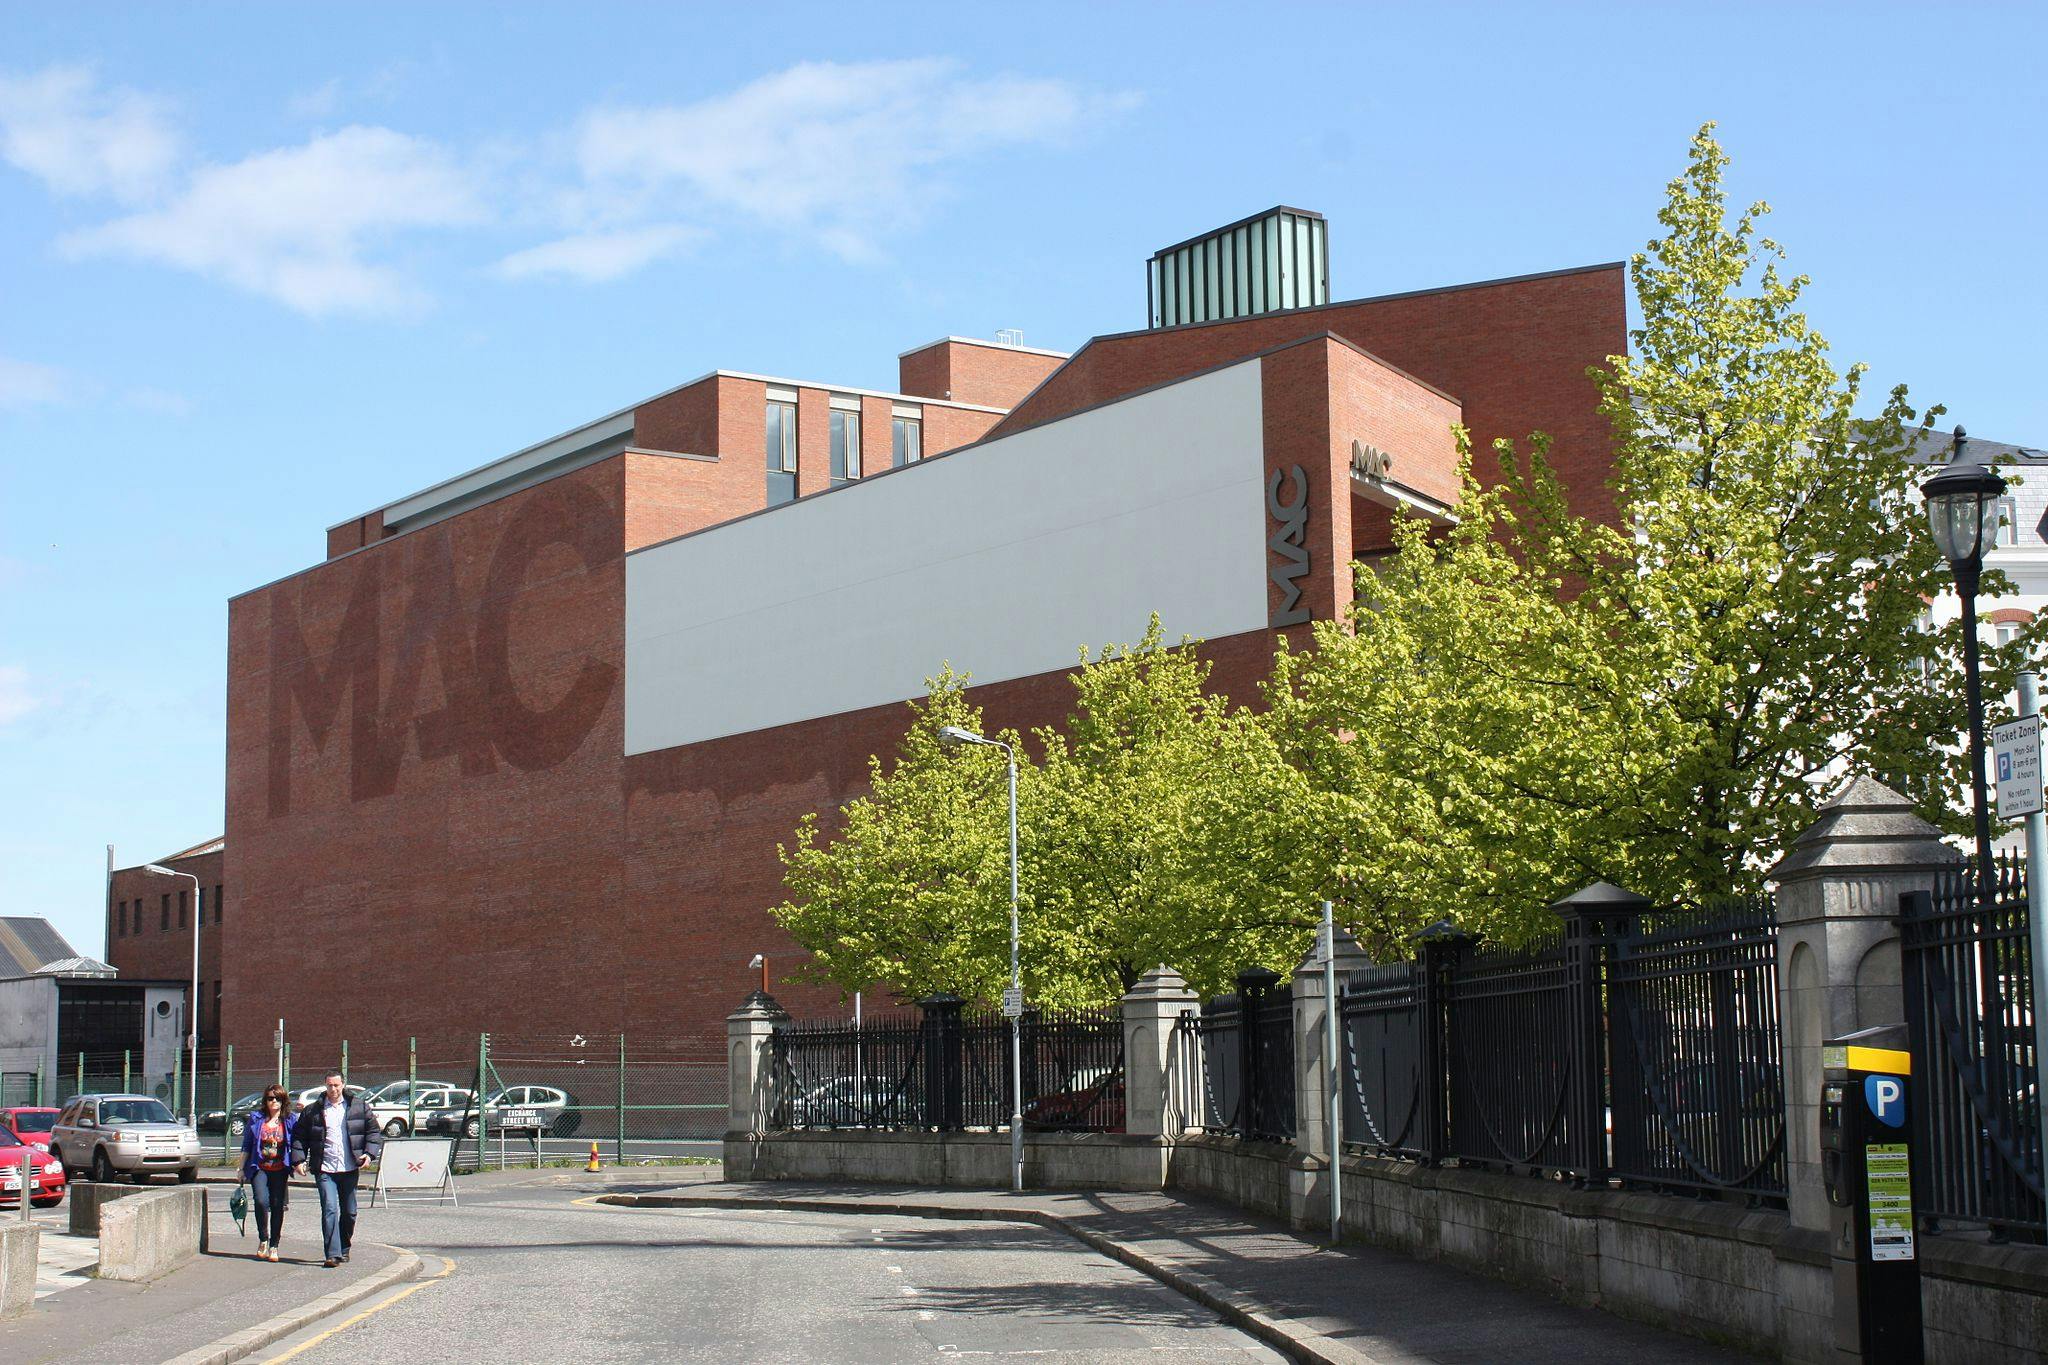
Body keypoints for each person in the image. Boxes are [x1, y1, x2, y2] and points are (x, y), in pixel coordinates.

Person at [290, 1073, 381, 1268]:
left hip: (349, 1168)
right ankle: (332, 1254)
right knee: (330, 1209)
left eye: (337, 1085)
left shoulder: (358, 1106)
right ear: (325, 1085)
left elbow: (373, 1131)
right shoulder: (313, 1111)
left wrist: (369, 1153)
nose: (333, 1089)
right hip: (324, 1169)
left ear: (343, 1085)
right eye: (330, 1085)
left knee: (349, 1212)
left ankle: (344, 1248)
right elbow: (299, 1136)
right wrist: (298, 1160)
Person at [239, 1085, 295, 1261]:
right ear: (265, 1100)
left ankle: (274, 1245)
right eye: (270, 1098)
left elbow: (298, 1142)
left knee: (277, 1205)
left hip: (280, 1168)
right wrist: (241, 1168)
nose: (273, 1102)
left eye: (277, 1098)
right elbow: (247, 1144)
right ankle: (263, 1238)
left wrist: (300, 1162)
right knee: (261, 1201)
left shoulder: (290, 1120)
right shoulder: (257, 1119)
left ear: (283, 1101)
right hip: (259, 1167)